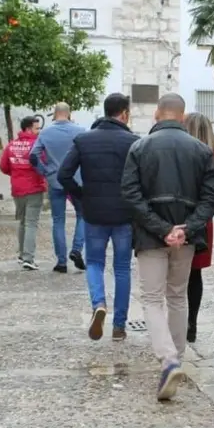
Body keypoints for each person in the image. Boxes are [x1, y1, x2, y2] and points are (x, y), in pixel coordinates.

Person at [121, 93, 214, 401]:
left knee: (152, 299)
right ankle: (178, 355)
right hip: (186, 237)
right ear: (182, 117)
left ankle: (168, 360)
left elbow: (130, 194)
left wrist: (160, 228)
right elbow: (212, 196)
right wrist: (186, 228)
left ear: (156, 114)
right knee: (177, 296)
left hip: (152, 237)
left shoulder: (139, 148)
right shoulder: (202, 151)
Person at [58, 93, 140, 342]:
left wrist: (82, 195)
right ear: (124, 113)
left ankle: (99, 304)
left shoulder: (84, 140)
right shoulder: (134, 142)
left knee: (94, 262)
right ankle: (119, 326)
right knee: (122, 268)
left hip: (93, 212)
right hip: (124, 213)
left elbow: (64, 175)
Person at [183, 112, 214, 344]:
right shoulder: (213, 156)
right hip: (203, 221)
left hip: (181, 217)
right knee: (195, 274)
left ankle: (179, 321)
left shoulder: (182, 153)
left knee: (178, 274)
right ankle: (192, 323)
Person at [30, 102, 86, 273]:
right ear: (69, 114)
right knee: (83, 215)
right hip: (76, 179)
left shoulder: (45, 132)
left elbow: (33, 155)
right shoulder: (81, 131)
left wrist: (44, 171)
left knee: (58, 220)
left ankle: (61, 261)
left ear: (54, 114)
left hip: (55, 179)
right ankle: (76, 249)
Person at [0, 116, 48, 270]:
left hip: (17, 189)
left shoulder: (11, 146)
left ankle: (21, 255)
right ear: (28, 128)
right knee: (31, 223)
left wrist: (16, 174)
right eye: (36, 128)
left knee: (22, 221)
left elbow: (3, 166)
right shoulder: (37, 146)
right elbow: (44, 164)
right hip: (34, 188)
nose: (38, 131)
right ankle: (28, 257)